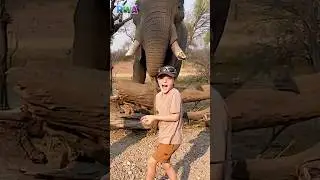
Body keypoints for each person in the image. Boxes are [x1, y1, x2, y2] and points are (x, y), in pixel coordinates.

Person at [140, 65, 183, 180]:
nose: (165, 80)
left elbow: (175, 117)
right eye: (162, 77)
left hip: (171, 139)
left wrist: (154, 117)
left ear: (174, 80)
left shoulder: (175, 93)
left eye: (168, 78)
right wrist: (150, 120)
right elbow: (160, 116)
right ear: (158, 80)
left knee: (151, 162)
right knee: (165, 164)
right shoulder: (158, 96)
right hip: (164, 136)